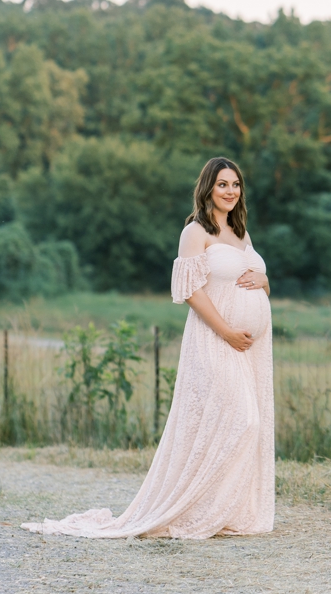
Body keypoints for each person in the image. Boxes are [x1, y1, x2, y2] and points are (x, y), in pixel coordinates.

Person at [28, 157, 274, 545]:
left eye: (236, 185)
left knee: (243, 422)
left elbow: (256, 283)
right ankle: (196, 509)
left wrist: (264, 280)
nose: (231, 191)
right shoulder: (196, 231)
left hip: (246, 349)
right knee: (242, 421)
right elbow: (189, 291)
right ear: (208, 187)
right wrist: (227, 330)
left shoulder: (240, 231)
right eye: (223, 184)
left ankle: (226, 510)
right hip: (214, 340)